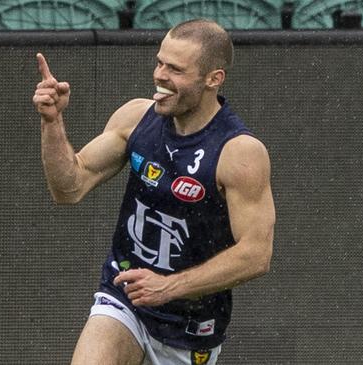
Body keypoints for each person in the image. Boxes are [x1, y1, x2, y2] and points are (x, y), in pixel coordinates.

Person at [33, 19, 275, 365]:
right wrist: (52, 122)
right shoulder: (136, 117)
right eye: (160, 62)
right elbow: (69, 187)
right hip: (124, 297)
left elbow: (256, 254)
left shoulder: (239, 152)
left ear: (213, 79)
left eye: (175, 69)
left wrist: (168, 286)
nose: (160, 75)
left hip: (190, 328)